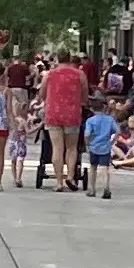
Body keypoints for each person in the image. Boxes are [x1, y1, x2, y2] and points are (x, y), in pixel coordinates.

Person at [39, 51, 86, 192]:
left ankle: (58, 182)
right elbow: (84, 95)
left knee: (57, 148)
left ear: (58, 59)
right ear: (70, 59)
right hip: (72, 114)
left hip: (53, 113)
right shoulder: (79, 74)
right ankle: (70, 178)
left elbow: (42, 93)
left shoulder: (50, 74)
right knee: (71, 148)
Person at [84, 101, 120, 199]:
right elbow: (117, 131)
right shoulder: (110, 119)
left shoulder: (90, 120)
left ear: (92, 109)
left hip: (94, 146)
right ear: (104, 108)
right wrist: (112, 142)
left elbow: (87, 134)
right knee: (105, 168)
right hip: (105, 146)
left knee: (93, 168)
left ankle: (92, 189)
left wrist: (87, 144)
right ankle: (106, 188)